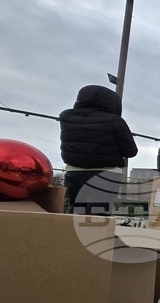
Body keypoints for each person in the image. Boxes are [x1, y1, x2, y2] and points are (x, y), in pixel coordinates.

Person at [59, 84, 138, 215]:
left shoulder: (66, 116)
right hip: (106, 175)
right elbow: (130, 151)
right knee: (99, 217)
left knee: (76, 213)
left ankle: (70, 235)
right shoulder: (115, 121)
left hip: (74, 173)